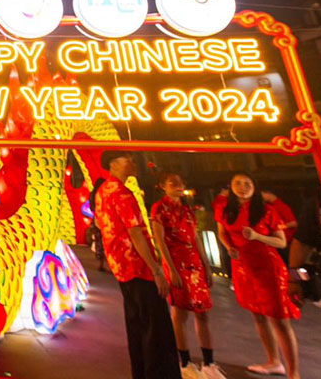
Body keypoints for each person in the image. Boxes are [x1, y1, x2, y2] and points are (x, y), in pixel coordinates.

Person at [94, 150, 181, 379]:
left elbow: (99, 221)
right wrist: (156, 270)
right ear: (112, 164)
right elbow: (135, 233)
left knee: (137, 325)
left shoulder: (103, 191)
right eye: (126, 159)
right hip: (138, 267)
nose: (132, 162)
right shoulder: (122, 193)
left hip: (121, 267)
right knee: (155, 329)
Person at [215, 173, 300, 378]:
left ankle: (294, 374)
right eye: (238, 183)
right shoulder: (227, 210)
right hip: (243, 267)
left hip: (268, 267)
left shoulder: (266, 210)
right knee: (258, 316)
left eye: (247, 183)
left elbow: (281, 242)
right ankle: (274, 362)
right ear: (231, 187)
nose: (242, 187)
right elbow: (222, 232)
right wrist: (229, 247)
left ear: (255, 187)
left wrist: (257, 236)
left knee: (279, 320)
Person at [151, 173, 224, 379]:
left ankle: (209, 363)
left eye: (180, 182)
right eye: (171, 182)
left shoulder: (187, 210)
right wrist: (171, 269)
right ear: (162, 186)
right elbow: (160, 241)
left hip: (195, 265)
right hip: (176, 263)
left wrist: (206, 265)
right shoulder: (159, 208)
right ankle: (185, 363)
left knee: (202, 313)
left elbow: (195, 237)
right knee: (180, 313)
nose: (177, 185)